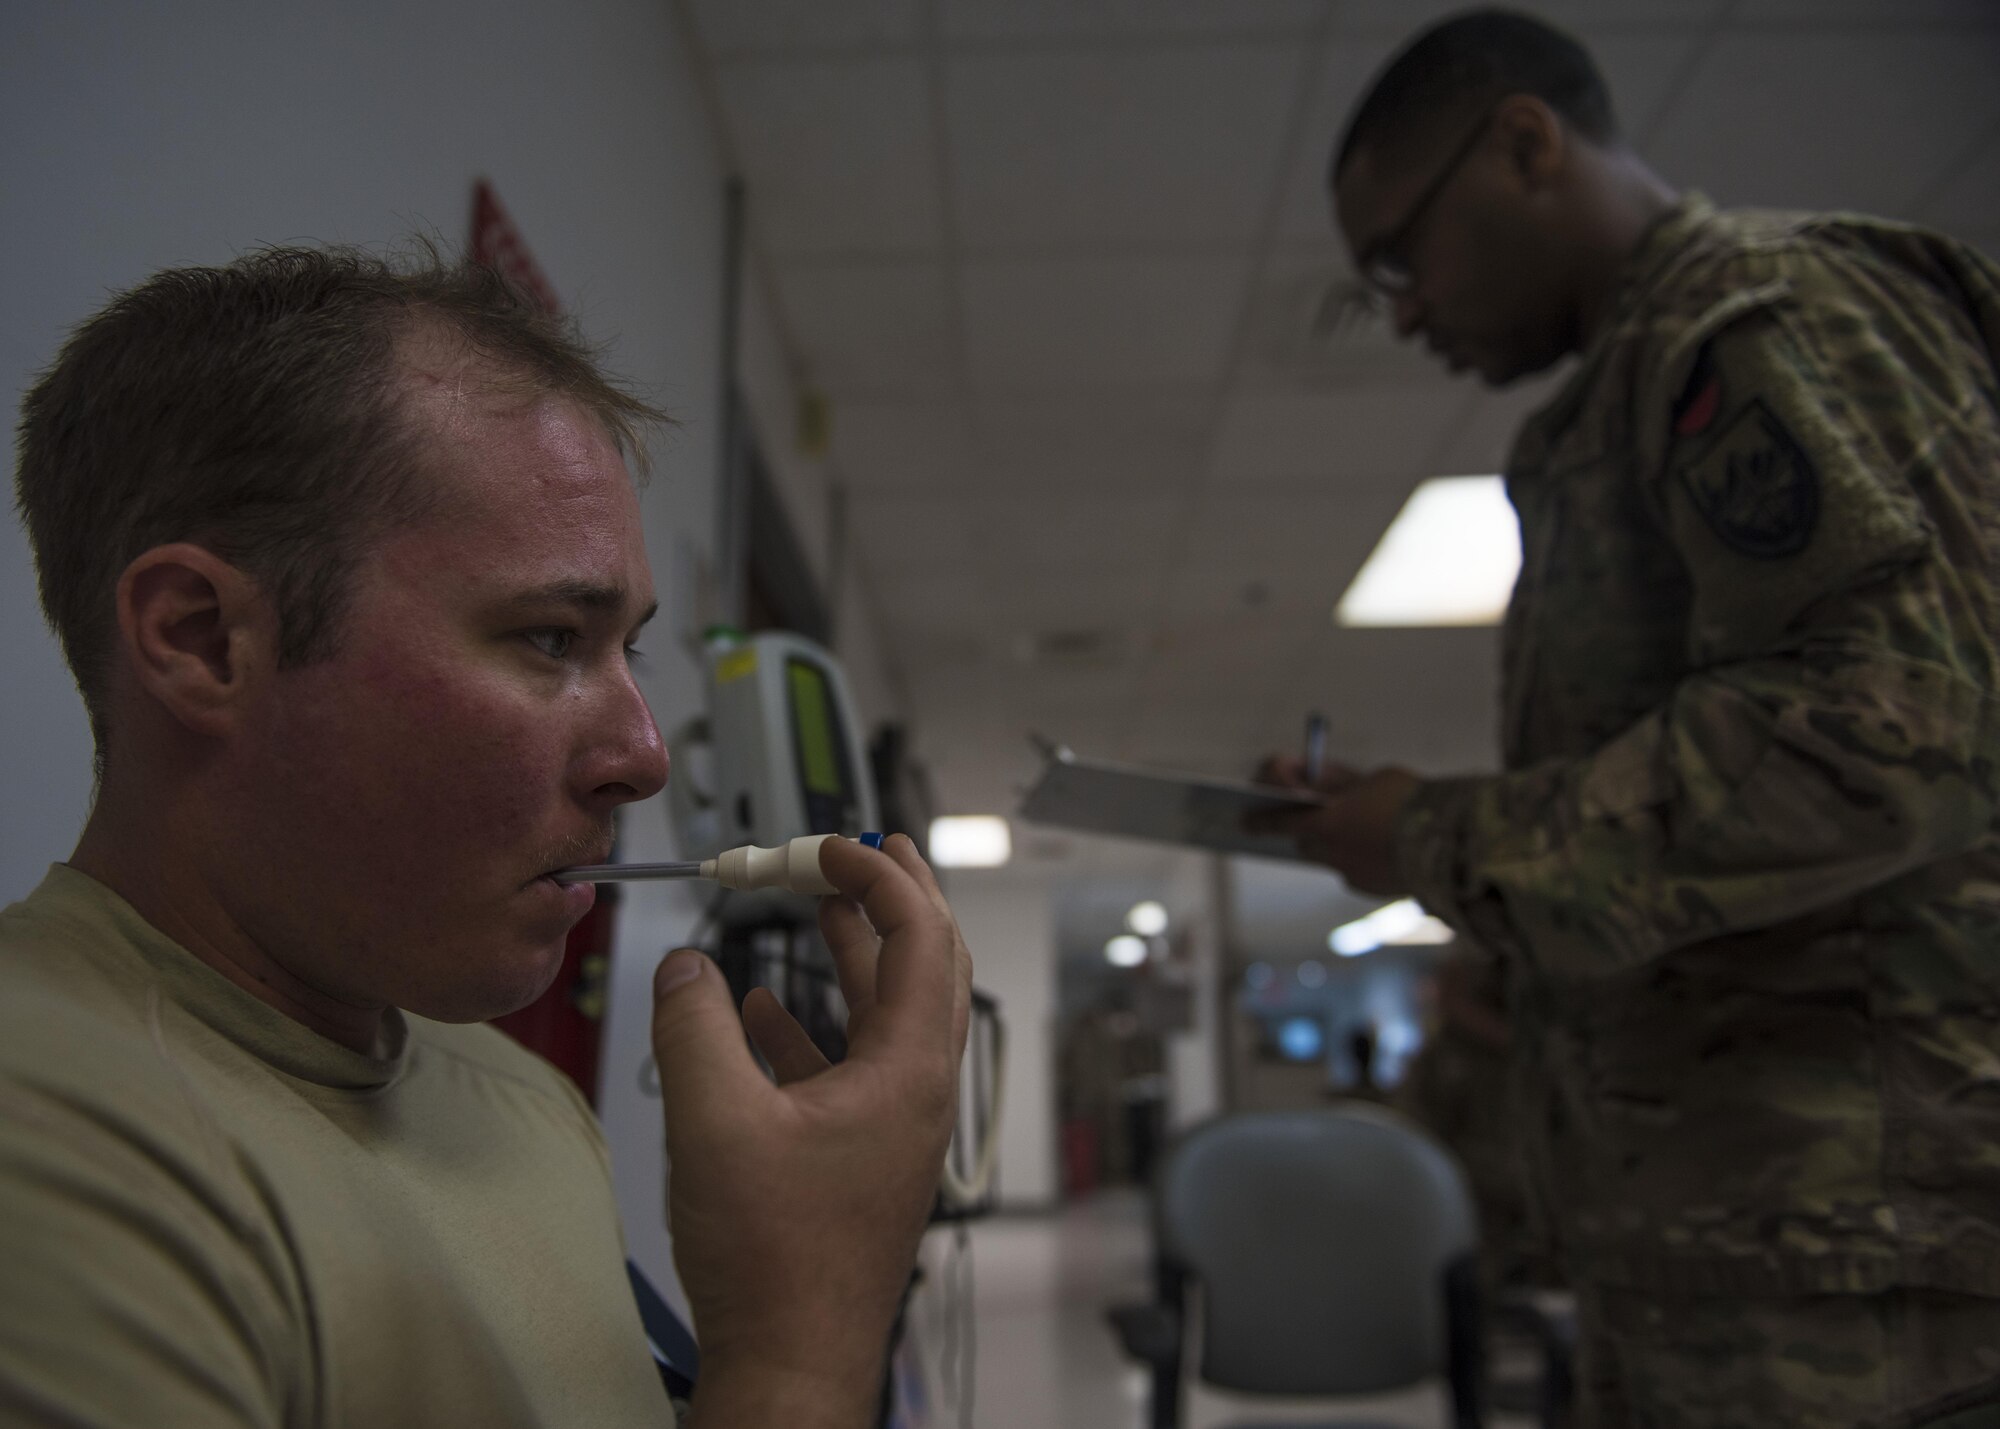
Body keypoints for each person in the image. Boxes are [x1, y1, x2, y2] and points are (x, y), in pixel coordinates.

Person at [1, 246, 974, 1428]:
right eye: (552, 639)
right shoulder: (47, 1146)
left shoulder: (519, 1098)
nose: (645, 755)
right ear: (203, 639)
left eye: (631, 650)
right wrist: (803, 1342)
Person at [1253, 9, 2000, 1426]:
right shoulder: (1621, 397)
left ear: (1525, 143)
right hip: (1731, 1253)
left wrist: (1431, 833)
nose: (1403, 313)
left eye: (1401, 262)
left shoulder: (1771, 318)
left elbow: (1892, 730)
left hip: (1874, 1284)